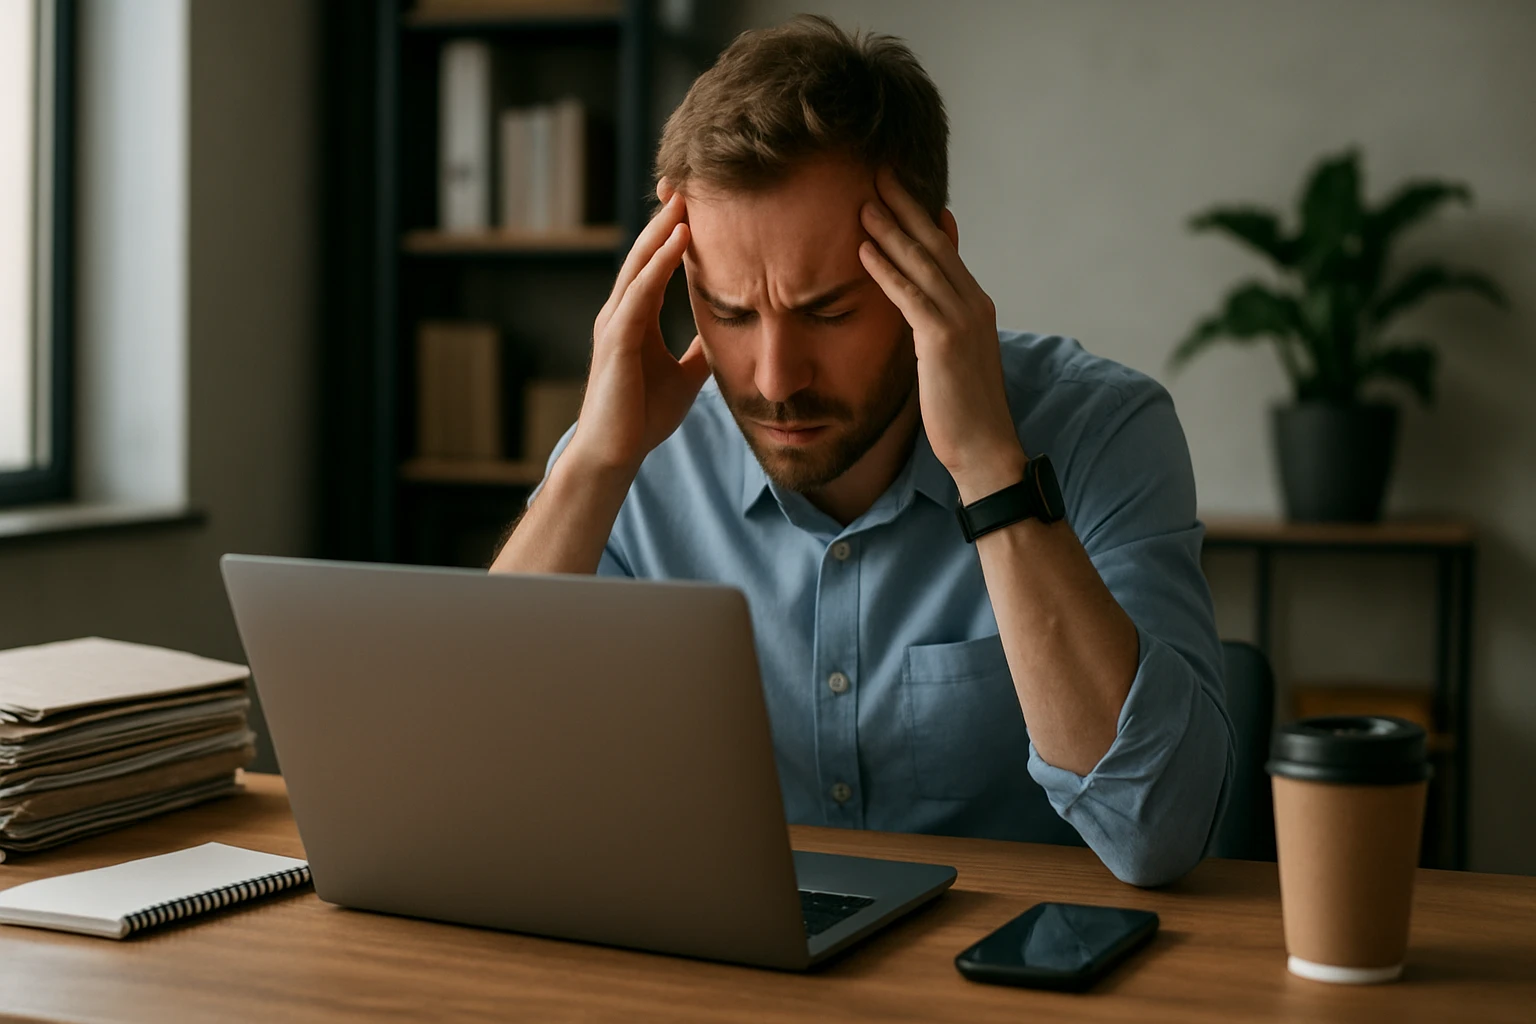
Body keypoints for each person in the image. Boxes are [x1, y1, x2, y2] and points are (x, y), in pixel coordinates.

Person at [491, 15, 1233, 887]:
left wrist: (989, 468)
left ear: (932, 263)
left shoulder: (1102, 429)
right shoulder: (632, 452)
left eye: (828, 311)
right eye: (729, 313)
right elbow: (473, 783)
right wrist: (592, 467)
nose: (775, 379)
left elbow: (1159, 831)